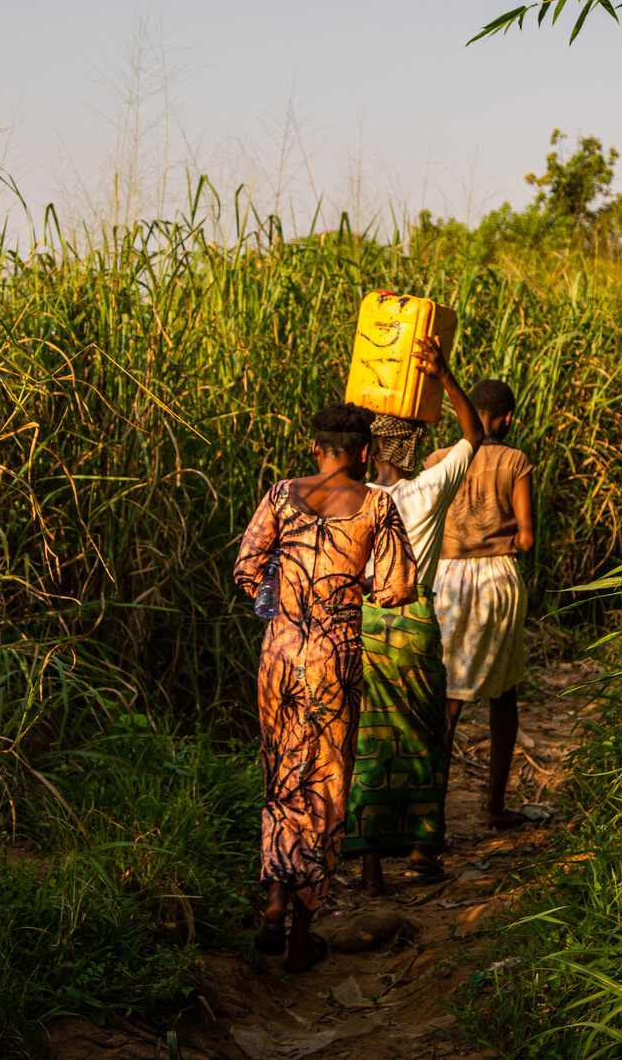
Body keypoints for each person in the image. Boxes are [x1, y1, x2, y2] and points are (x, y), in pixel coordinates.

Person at [233, 402, 417, 972]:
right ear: (367, 452)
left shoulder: (279, 494)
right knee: (325, 786)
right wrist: (349, 582)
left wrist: (285, 597)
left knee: (283, 777)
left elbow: (245, 571)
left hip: (279, 658)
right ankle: (300, 938)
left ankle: (273, 903)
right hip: (333, 663)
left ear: (316, 448)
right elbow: (395, 589)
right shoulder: (377, 505)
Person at [342, 335, 484, 897]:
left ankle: (372, 868)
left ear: (372, 451)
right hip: (416, 622)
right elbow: (474, 435)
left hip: (366, 623)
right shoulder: (430, 488)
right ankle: (425, 849)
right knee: (425, 736)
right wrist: (445, 374)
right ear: (416, 446)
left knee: (370, 740)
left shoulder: (354, 499)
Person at [424, 378, 536, 828]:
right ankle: (493, 808)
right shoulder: (515, 460)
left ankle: (430, 819)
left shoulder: (438, 460)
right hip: (496, 580)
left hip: (445, 579)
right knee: (504, 692)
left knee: (447, 701)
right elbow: (525, 540)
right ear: (507, 418)